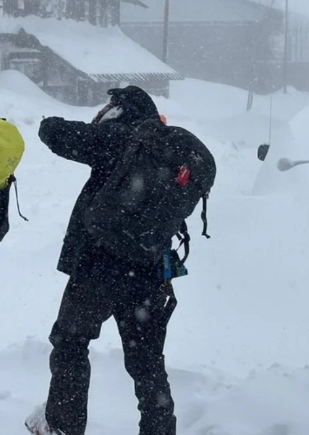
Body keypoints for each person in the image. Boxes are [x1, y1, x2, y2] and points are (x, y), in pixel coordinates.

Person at [25, 86, 208, 435]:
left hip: (99, 266)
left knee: (71, 343)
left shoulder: (121, 138)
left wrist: (47, 121)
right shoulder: (168, 151)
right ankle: (159, 430)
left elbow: (57, 135)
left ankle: (62, 427)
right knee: (147, 360)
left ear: (119, 110)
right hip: (151, 269)